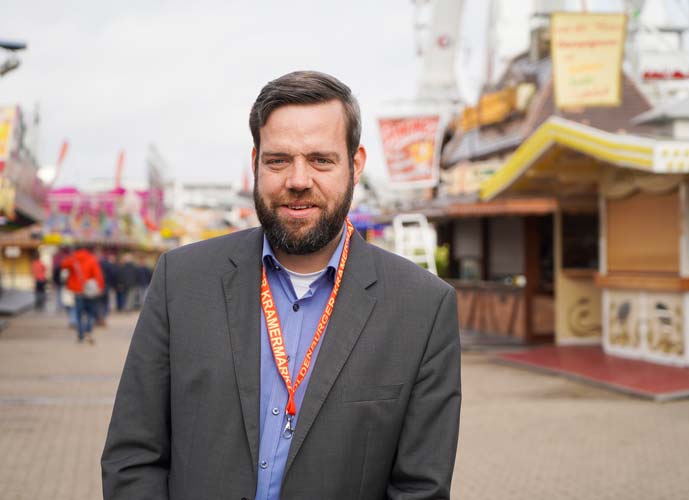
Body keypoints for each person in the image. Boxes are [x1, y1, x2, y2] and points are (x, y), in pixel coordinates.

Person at [101, 71, 461, 500]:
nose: (297, 179)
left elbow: (419, 488)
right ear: (255, 161)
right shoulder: (181, 282)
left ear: (356, 164)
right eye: (278, 160)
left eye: (321, 160)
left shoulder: (422, 308)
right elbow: (132, 458)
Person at [62, 245, 104, 343]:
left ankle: (80, 334)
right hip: (89, 290)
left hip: (77, 290)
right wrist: (100, 287)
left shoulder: (73, 259)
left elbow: (63, 265)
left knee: (79, 313)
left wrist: (72, 257)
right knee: (90, 312)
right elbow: (98, 275)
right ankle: (88, 330)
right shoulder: (91, 259)